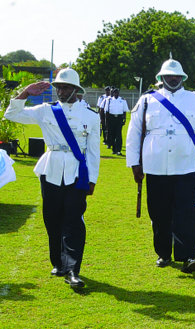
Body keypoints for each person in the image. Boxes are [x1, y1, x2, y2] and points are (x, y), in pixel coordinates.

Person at [4, 69, 100, 289]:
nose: (60, 91)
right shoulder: (46, 111)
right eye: (58, 87)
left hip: (77, 172)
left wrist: (92, 179)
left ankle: (73, 270)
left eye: (65, 87)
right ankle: (58, 262)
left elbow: (93, 151)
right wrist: (25, 93)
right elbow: (11, 114)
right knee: (52, 217)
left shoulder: (91, 116)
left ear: (76, 90)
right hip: (51, 168)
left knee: (74, 220)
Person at [126, 55, 195, 274]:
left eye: (176, 76)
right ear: (161, 77)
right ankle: (163, 253)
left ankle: (188, 256)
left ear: (183, 77)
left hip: (187, 165)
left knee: (187, 213)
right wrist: (135, 164)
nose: (172, 79)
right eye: (168, 76)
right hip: (155, 166)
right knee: (158, 212)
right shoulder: (147, 100)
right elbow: (134, 132)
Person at [104, 88, 129, 156]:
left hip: (119, 118)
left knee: (118, 135)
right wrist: (106, 120)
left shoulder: (122, 100)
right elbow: (106, 111)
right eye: (115, 92)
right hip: (111, 118)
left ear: (119, 93)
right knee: (112, 135)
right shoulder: (109, 100)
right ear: (113, 93)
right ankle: (114, 149)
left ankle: (118, 150)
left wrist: (124, 119)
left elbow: (125, 111)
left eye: (117, 92)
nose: (116, 94)